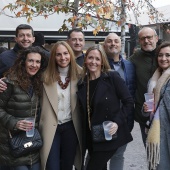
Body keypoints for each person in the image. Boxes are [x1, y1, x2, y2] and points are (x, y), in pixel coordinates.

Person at [77, 44, 133, 170]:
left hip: (109, 134)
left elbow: (128, 101)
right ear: (85, 60)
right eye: (90, 58)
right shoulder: (82, 82)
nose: (93, 62)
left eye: (97, 59)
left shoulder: (111, 77)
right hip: (91, 136)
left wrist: (117, 122)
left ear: (102, 62)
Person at [0, 46, 48, 170]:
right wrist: (15, 123)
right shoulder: (9, 82)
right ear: (23, 62)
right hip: (13, 147)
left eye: (38, 62)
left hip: (32, 146)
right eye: (30, 61)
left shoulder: (40, 83)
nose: (34, 65)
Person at [39, 41, 82, 170]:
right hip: (51, 127)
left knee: (67, 165)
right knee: (52, 166)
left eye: (65, 53)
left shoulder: (81, 74)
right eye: (58, 54)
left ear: (71, 54)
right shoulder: (44, 76)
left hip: (71, 127)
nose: (63, 58)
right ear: (53, 57)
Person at [103, 32, 136, 170]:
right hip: (105, 119)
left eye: (116, 41)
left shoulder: (129, 65)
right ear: (104, 45)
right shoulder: (100, 65)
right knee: (100, 155)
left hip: (125, 118)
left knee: (119, 155)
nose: (113, 44)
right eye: (109, 41)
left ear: (121, 43)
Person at [128, 27, 158, 146]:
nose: (146, 41)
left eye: (149, 37)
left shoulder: (164, 54)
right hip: (144, 112)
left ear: (156, 38)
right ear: (139, 41)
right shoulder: (135, 58)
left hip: (165, 111)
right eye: (143, 38)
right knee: (150, 150)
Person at [143, 41, 170, 170]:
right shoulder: (154, 80)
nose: (163, 58)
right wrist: (146, 109)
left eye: (168, 55)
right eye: (160, 55)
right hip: (158, 131)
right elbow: (151, 109)